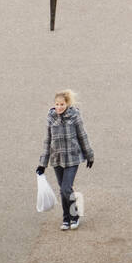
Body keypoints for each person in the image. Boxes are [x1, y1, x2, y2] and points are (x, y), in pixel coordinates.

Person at [35, 88, 94, 231]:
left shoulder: (74, 116)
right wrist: (42, 164)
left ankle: (75, 216)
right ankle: (66, 219)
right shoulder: (51, 118)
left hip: (72, 158)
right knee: (63, 190)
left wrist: (89, 155)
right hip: (57, 159)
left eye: (62, 104)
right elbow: (47, 141)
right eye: (57, 104)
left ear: (67, 104)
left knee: (66, 188)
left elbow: (82, 135)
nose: (59, 107)